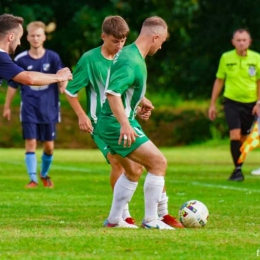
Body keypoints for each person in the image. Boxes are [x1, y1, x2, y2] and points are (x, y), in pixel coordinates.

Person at [65, 16, 183, 229]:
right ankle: (152, 220)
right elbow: (112, 94)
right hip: (114, 123)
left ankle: (114, 220)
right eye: (162, 41)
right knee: (158, 163)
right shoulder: (131, 60)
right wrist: (126, 124)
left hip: (113, 121)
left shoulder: (127, 53)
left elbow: (118, 86)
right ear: (155, 37)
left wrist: (138, 102)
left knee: (133, 170)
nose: (162, 46)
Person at [3, 21, 66, 188]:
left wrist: (63, 83)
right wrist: (7, 106)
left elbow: (61, 75)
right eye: (28, 36)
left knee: (49, 147)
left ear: (44, 37)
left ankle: (43, 174)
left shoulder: (53, 57)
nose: (35, 38)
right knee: (30, 142)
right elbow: (22, 81)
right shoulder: (18, 58)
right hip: (30, 108)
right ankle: (33, 179)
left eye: (39, 35)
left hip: (49, 108)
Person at [208, 28, 260, 181]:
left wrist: (258, 102)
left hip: (251, 104)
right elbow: (219, 80)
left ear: (249, 42)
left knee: (244, 138)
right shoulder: (226, 57)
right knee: (234, 134)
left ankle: (239, 166)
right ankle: (237, 170)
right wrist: (212, 104)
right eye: (238, 40)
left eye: (244, 40)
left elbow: (259, 82)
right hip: (231, 101)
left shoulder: (256, 58)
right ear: (233, 42)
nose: (241, 43)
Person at [0, 14, 72, 89]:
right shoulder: (1, 56)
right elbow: (29, 78)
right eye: (19, 38)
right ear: (11, 37)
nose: (19, 43)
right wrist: (59, 77)